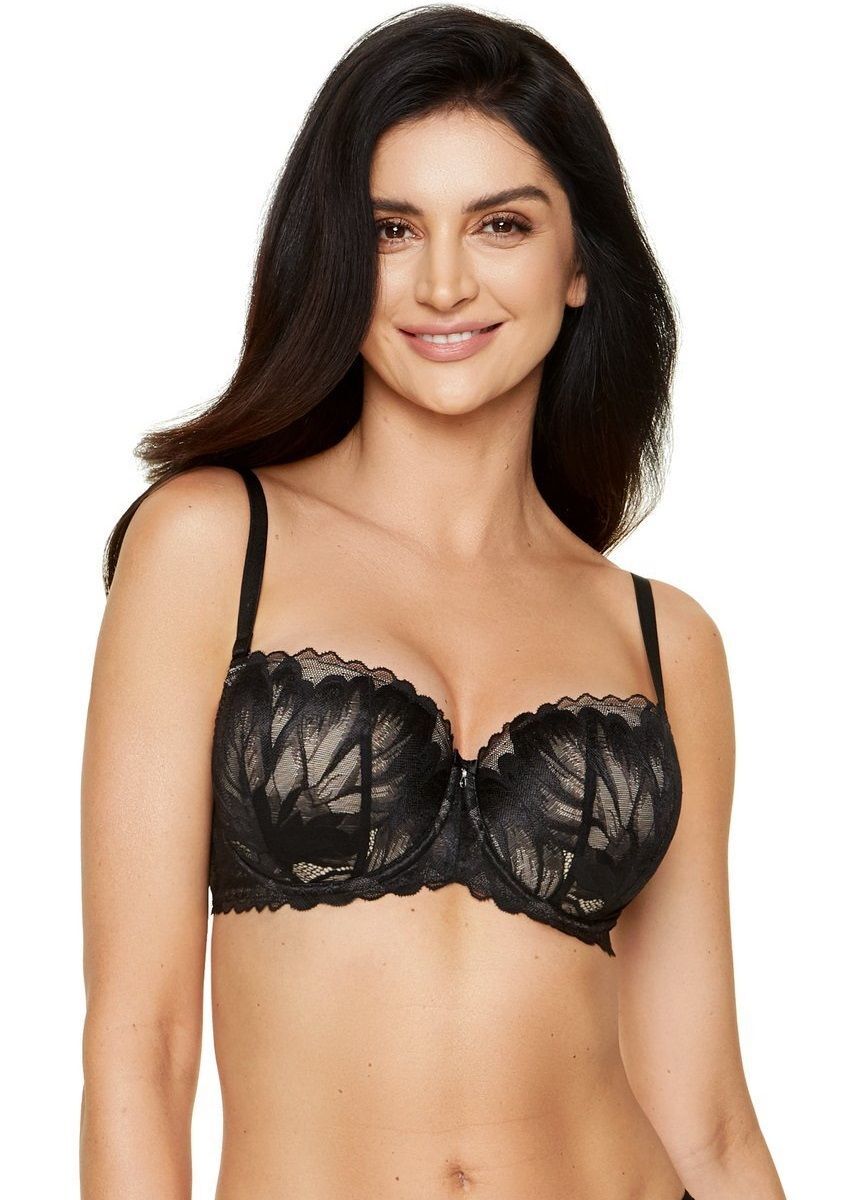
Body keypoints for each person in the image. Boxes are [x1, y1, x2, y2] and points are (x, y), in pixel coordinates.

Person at [79, 6, 786, 1199]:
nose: (446, 281)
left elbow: (707, 1118)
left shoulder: (666, 640)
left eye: (502, 224)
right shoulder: (212, 544)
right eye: (392, 230)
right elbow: (138, 1050)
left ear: (578, 266)